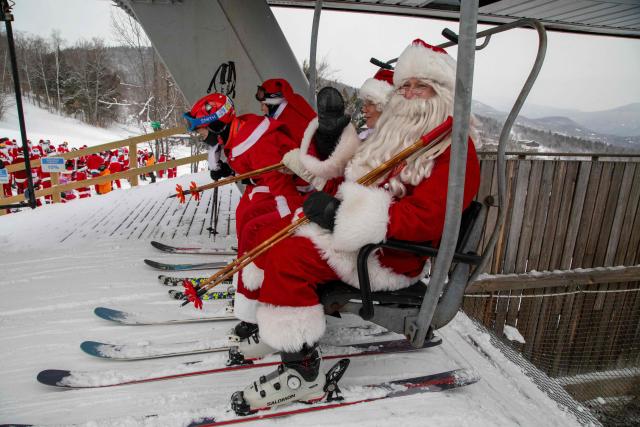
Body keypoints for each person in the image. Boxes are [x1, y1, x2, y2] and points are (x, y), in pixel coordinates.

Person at [226, 39, 482, 415]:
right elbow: (350, 180)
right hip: (362, 237)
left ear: (441, 93)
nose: (409, 95)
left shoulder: (454, 152)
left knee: (289, 256)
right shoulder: (393, 137)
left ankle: (303, 377)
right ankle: (281, 328)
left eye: (420, 86)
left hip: (390, 254)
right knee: (267, 237)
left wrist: (343, 217)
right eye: (405, 86)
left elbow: (428, 218)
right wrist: (329, 152)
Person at [183, 92, 306, 326]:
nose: (199, 135)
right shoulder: (234, 132)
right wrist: (227, 168)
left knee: (253, 224)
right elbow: (249, 165)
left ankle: (254, 302)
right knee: (244, 212)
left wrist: (293, 221)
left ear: (217, 124)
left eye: (201, 129)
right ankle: (246, 284)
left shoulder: (259, 142)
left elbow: (282, 187)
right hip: (267, 186)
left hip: (297, 192)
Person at [357, 68, 394, 140]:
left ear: (387, 107)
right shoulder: (364, 136)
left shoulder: (392, 142)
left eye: (371, 103)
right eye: (365, 104)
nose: (364, 110)